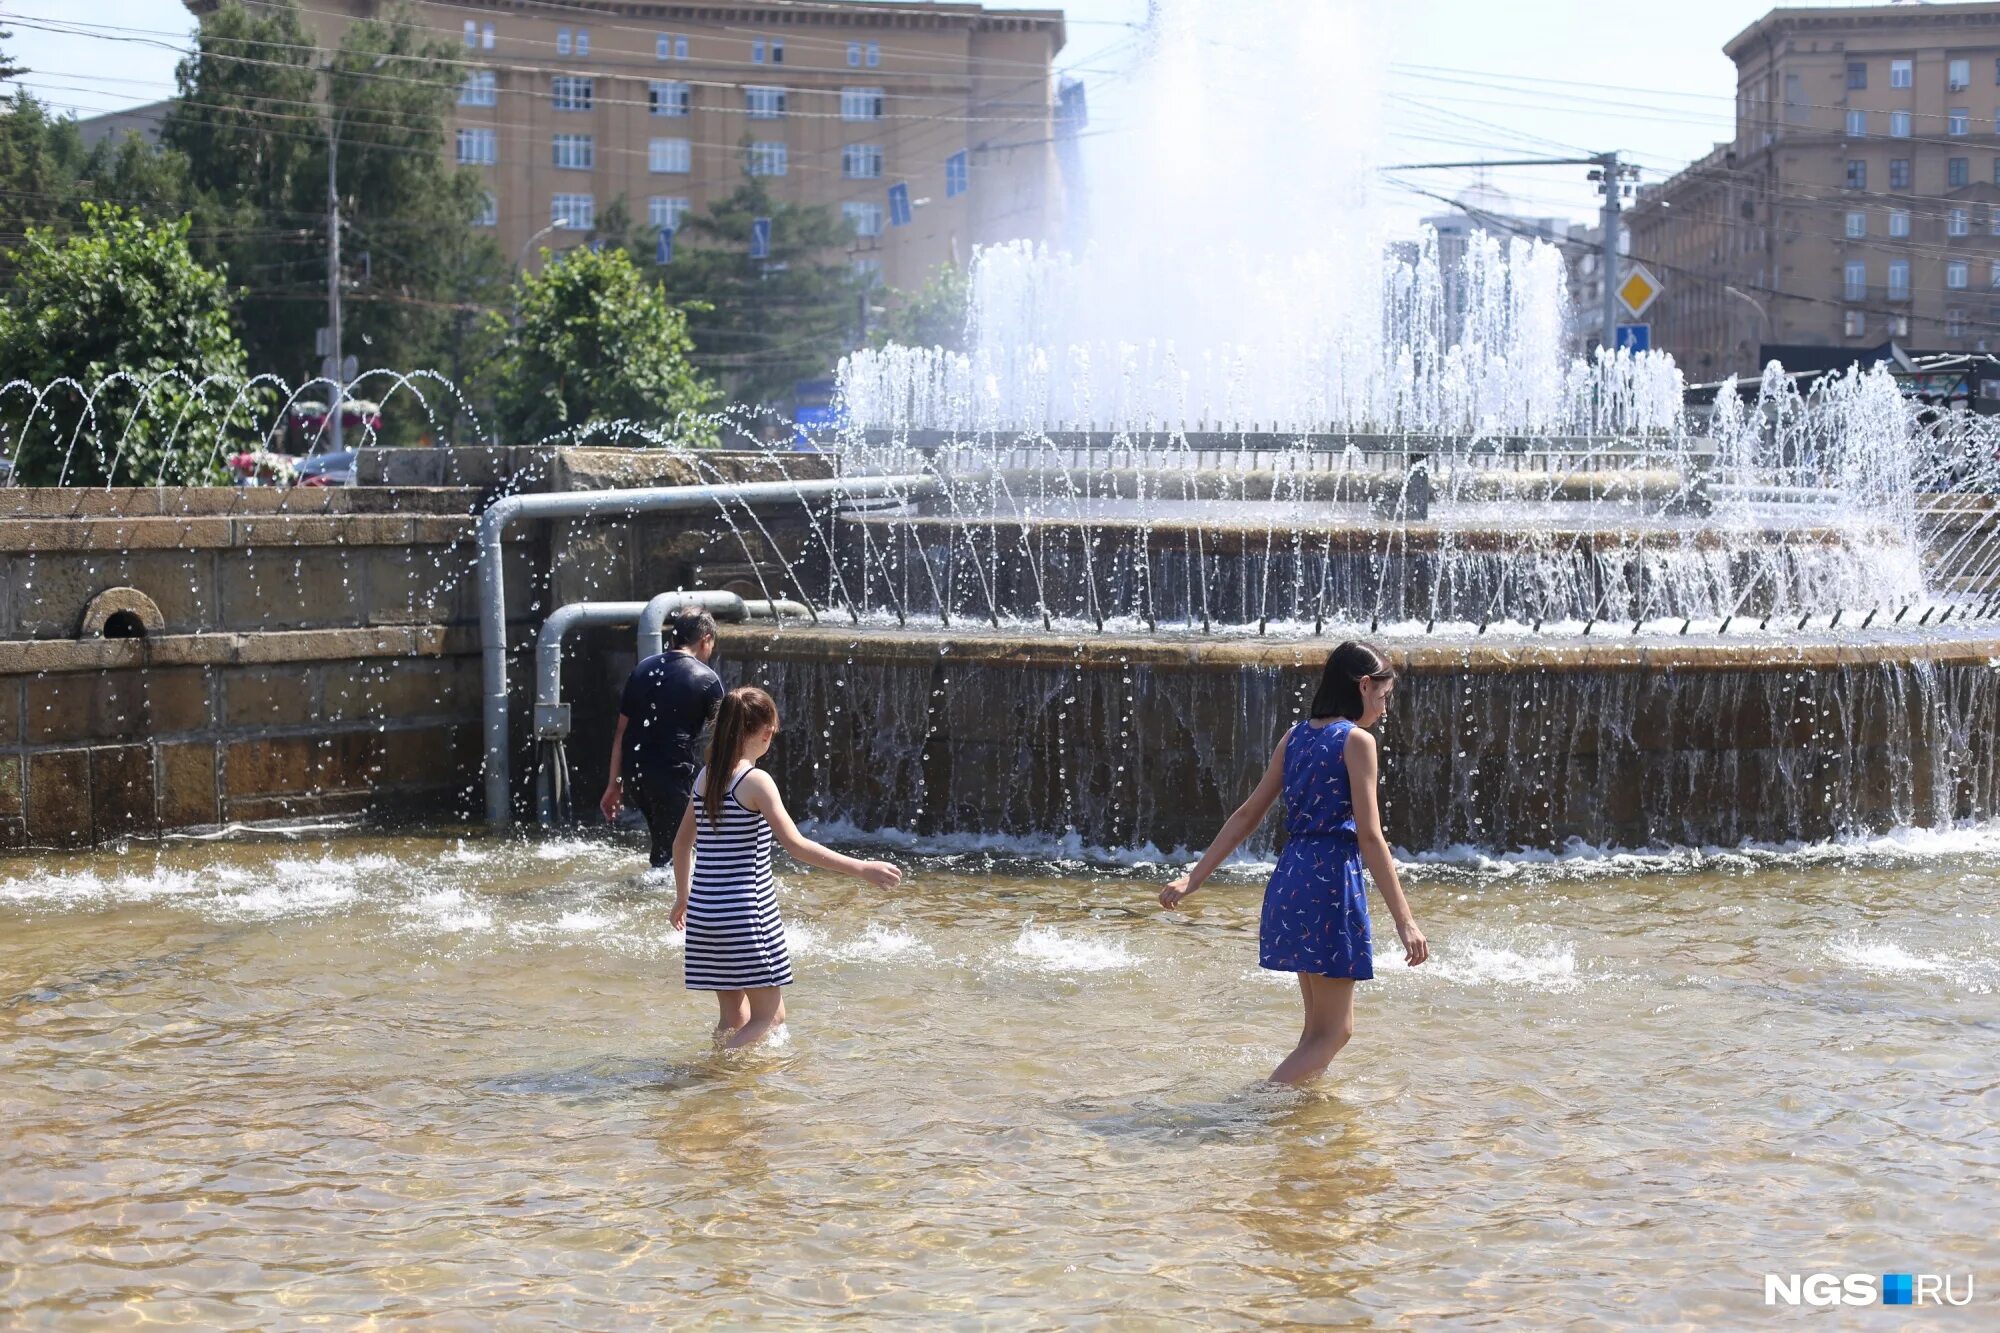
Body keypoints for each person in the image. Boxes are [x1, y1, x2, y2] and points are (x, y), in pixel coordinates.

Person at [1159, 641, 1429, 1085]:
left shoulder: (1296, 736)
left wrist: (1195, 876)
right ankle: (1258, 1110)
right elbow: (1370, 836)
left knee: (1315, 1031)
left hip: (1293, 878)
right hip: (1330, 884)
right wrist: (1405, 921)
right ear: (1363, 686)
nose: (1385, 709)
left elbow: (1248, 814)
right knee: (1336, 1032)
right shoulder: (1358, 742)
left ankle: (1299, 1126)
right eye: (1383, 697)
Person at [672, 686, 903, 1050]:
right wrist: (861, 868)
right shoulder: (755, 782)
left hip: (704, 913)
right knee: (770, 1017)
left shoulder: (706, 777)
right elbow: (796, 846)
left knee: (733, 1017)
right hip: (744, 915)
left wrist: (683, 898)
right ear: (765, 733)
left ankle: (716, 1091)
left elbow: (681, 843)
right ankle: (713, 1075)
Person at [601, 608, 724, 867]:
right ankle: (671, 903)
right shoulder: (707, 679)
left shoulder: (642, 669)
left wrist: (615, 785)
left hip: (636, 776)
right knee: (675, 854)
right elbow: (725, 739)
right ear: (706, 639)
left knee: (667, 844)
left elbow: (621, 734)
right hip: (671, 775)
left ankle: (662, 897)